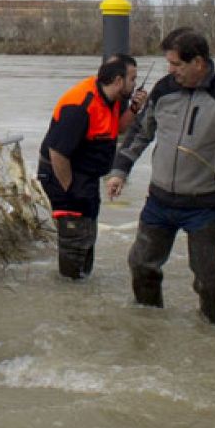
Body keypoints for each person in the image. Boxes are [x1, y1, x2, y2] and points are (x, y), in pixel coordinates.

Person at [105, 30, 215, 327]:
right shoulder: (164, 89)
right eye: (168, 63)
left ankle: (212, 334)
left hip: (205, 205)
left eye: (176, 64)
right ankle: (149, 327)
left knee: (207, 276)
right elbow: (140, 133)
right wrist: (120, 171)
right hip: (159, 201)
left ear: (198, 62)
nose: (170, 70)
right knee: (141, 264)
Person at [37, 56, 135, 278]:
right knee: (75, 235)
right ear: (119, 80)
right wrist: (69, 189)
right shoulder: (79, 104)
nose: (135, 84)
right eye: (132, 79)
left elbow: (117, 128)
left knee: (88, 232)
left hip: (87, 175)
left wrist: (135, 109)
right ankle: (70, 289)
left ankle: (83, 279)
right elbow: (57, 152)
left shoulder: (113, 98)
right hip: (62, 173)